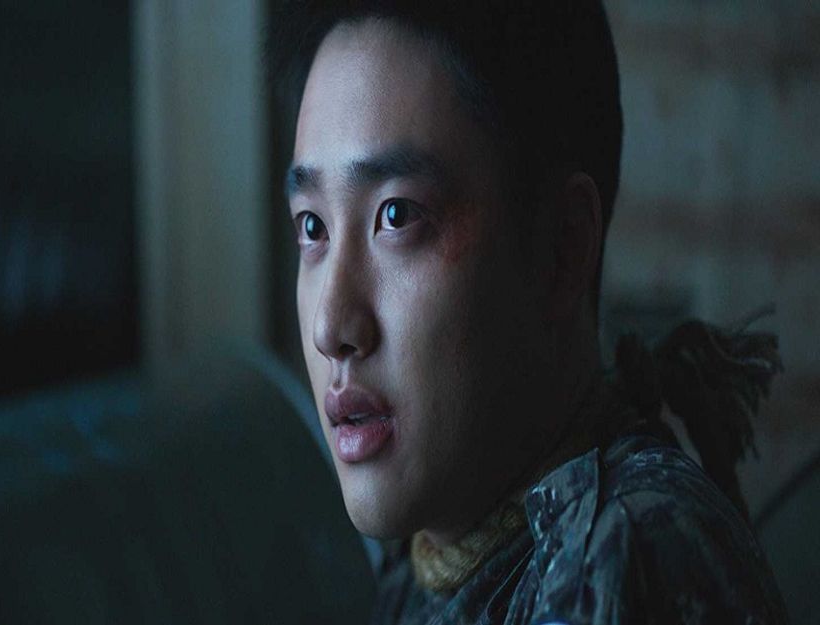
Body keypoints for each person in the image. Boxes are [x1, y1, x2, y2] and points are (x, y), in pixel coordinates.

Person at [268, 1, 789, 623]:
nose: (330, 327)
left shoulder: (625, 558)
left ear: (562, 250)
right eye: (313, 227)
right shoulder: (430, 558)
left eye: (397, 215)